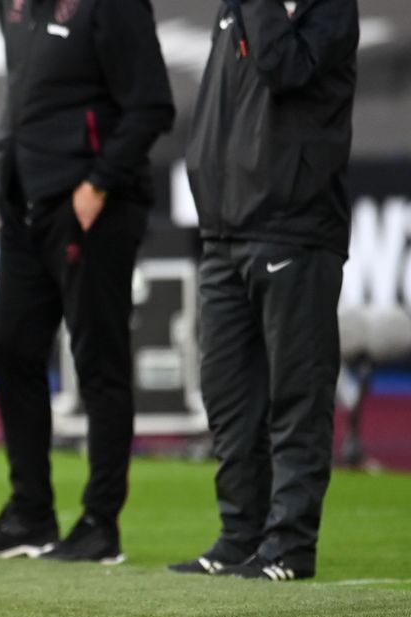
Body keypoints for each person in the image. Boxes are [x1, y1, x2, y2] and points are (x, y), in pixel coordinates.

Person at [0, 0, 173, 563]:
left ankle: (101, 523)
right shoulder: (17, 5)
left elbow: (151, 105)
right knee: (10, 347)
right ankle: (31, 512)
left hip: (91, 205)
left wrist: (99, 184)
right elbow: (24, 97)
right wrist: (9, 181)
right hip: (27, 203)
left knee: (99, 359)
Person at [171, 0, 358, 581]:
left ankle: (289, 545)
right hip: (225, 228)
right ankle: (239, 535)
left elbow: (285, 68)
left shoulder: (330, 9)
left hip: (293, 227)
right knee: (228, 396)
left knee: (296, 395)